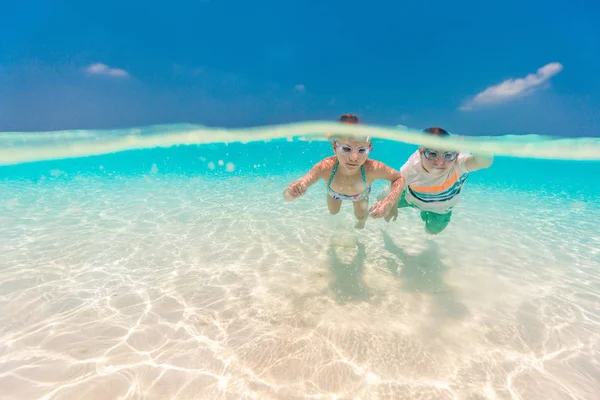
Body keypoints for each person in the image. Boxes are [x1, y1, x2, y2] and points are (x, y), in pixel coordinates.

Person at [283, 114, 404, 229]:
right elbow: (289, 194)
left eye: (362, 150)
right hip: (334, 193)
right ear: (334, 147)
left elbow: (399, 178)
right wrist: (293, 191)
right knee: (333, 212)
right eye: (346, 149)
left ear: (369, 149)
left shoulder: (372, 168)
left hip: (360, 195)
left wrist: (390, 202)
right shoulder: (325, 167)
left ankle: (361, 223)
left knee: (361, 216)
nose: (353, 157)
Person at [381, 127, 493, 234]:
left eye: (448, 155)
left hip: (440, 209)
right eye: (432, 154)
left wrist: (474, 140)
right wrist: (392, 203)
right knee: (382, 201)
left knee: (432, 231)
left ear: (456, 154)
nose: (440, 162)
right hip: (411, 199)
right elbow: (397, 183)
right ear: (421, 152)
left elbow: (484, 162)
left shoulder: (458, 163)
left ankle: (426, 214)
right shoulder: (412, 168)